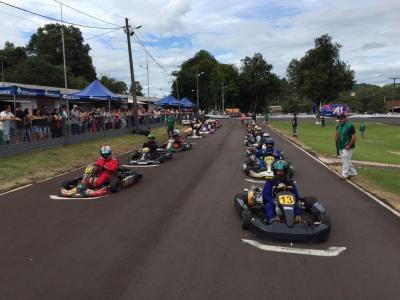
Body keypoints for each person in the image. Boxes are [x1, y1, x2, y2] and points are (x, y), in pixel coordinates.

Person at [335, 114, 357, 179]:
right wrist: (336, 143)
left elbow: (354, 136)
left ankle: (345, 174)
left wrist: (349, 145)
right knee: (346, 160)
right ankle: (353, 172)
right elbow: (337, 134)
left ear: (345, 118)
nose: (340, 120)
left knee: (345, 161)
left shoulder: (350, 125)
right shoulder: (338, 125)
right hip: (341, 145)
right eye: (339, 119)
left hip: (348, 146)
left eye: (341, 119)